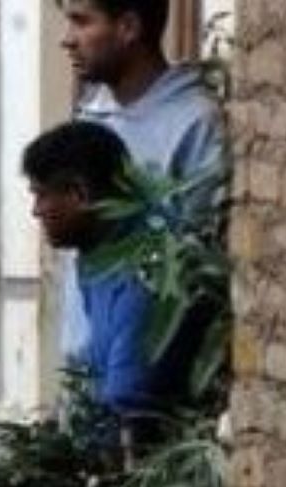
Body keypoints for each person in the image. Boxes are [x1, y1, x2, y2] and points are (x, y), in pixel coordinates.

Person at [58, 0, 228, 365]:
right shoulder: (91, 115)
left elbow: (195, 265)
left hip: (147, 384)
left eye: (81, 22)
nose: (67, 40)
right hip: (83, 372)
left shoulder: (193, 123)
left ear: (128, 27)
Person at [27, 121, 204, 432]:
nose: (36, 211)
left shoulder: (147, 272)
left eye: (42, 196)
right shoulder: (97, 250)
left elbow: (127, 405)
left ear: (80, 194)